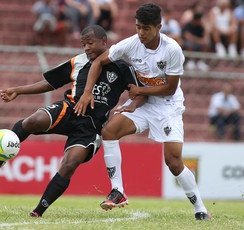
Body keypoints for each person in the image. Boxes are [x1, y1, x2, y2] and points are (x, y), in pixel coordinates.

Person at [0, 25, 146, 218]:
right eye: (84, 44)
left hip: (91, 127)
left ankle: (38, 212)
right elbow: (51, 83)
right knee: (33, 121)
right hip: (69, 109)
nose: (87, 48)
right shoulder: (79, 62)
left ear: (104, 41)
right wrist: (19, 90)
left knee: (69, 164)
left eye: (90, 43)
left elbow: (138, 91)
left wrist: (133, 106)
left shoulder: (122, 67)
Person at [74, 3, 211, 221]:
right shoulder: (131, 43)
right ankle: (118, 191)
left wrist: (139, 90)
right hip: (144, 104)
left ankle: (200, 208)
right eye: (138, 27)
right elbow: (99, 60)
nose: (140, 33)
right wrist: (87, 92)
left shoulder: (172, 49)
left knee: (173, 162)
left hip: (168, 106)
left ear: (158, 27)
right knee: (109, 131)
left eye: (146, 28)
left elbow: (170, 87)